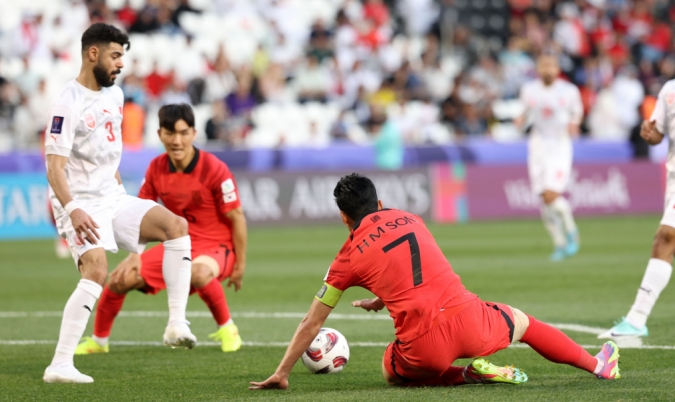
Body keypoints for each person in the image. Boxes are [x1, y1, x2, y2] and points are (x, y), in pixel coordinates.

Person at [249, 174, 620, 391]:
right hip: (470, 320)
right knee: (524, 323)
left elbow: (312, 323)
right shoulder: (409, 217)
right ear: (379, 202)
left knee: (389, 369)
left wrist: (282, 373)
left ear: (344, 218)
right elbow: (417, 268)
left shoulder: (345, 258)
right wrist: (383, 297)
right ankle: (597, 365)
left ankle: (465, 375)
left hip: (425, 348)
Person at [43, 23, 196, 384]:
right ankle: (60, 364)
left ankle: (176, 323)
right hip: (78, 202)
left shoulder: (116, 96)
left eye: (122, 57)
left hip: (111, 196)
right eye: (115, 56)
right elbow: (54, 168)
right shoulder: (67, 102)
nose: (120, 64)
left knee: (176, 227)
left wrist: (118, 195)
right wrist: (73, 210)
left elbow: (106, 156)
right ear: (92, 54)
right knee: (96, 271)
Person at [75, 103, 246, 354]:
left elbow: (237, 216)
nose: (177, 140)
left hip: (215, 246)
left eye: (183, 133)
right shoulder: (156, 168)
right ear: (159, 135)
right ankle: (99, 342)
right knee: (120, 279)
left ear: (194, 134)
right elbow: (138, 214)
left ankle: (228, 328)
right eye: (170, 133)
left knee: (198, 273)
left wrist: (240, 265)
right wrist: (134, 256)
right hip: (179, 244)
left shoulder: (214, 168)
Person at [598, 79, 675, 338]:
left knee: (666, 237)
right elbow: (657, 135)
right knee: (667, 239)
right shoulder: (669, 90)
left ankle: (636, 319)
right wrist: (648, 133)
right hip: (673, 181)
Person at [517, 53, 583, 261]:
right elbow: (525, 111)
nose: (547, 69)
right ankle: (559, 243)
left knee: (551, 195)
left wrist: (575, 123)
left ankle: (572, 231)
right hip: (538, 146)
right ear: (538, 68)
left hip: (559, 145)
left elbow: (577, 112)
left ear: (557, 68)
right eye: (544, 65)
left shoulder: (569, 90)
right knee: (543, 199)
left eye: (551, 65)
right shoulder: (529, 90)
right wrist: (520, 118)